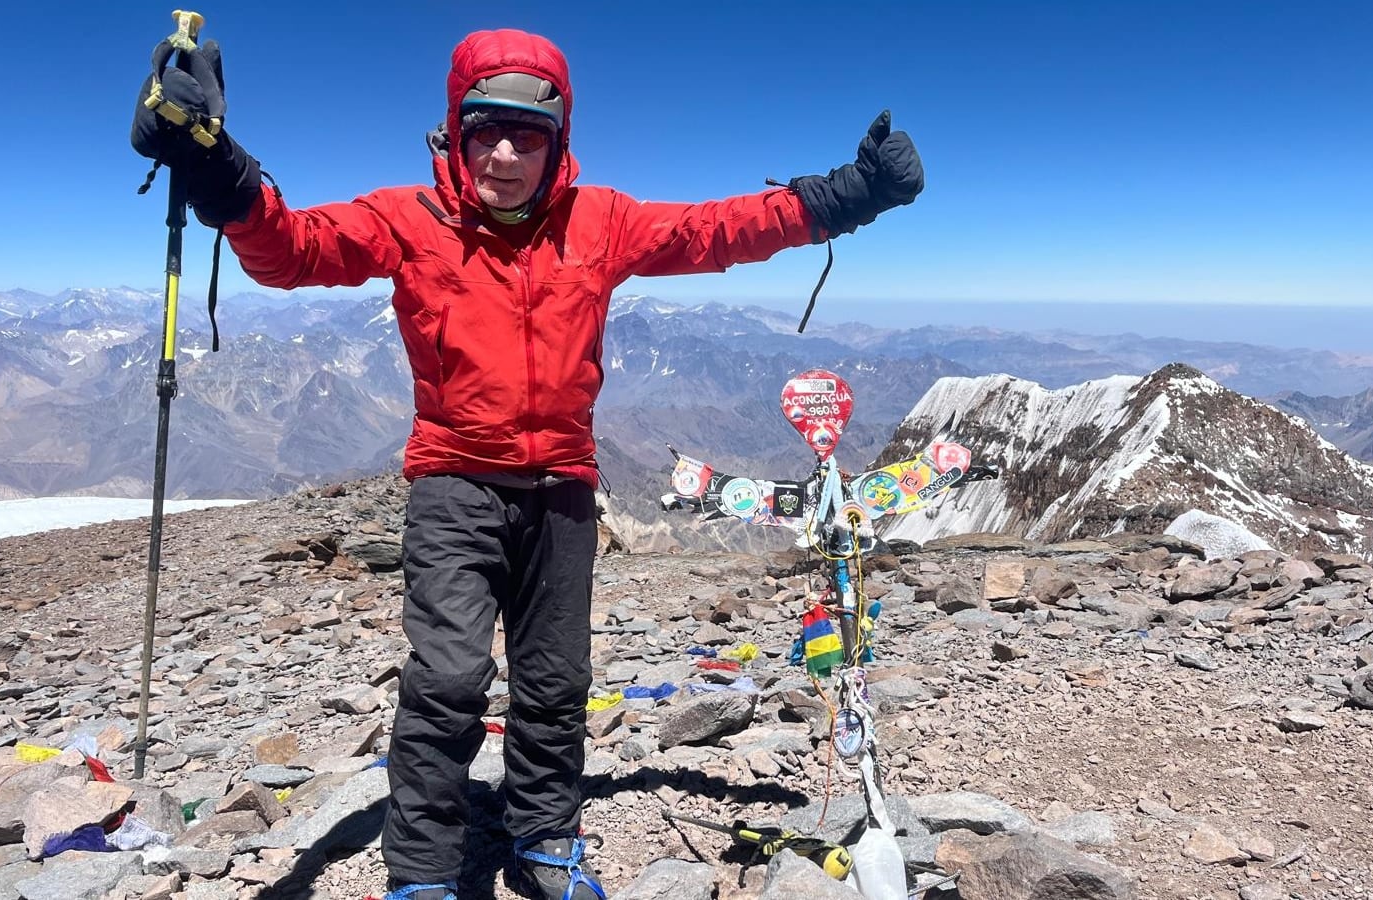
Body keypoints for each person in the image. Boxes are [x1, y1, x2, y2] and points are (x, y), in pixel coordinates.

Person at [132, 27, 923, 900]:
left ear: (559, 139)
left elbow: (717, 231)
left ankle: (545, 837)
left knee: (555, 680)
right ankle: (423, 875)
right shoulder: (408, 220)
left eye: (528, 134)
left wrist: (850, 195)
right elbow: (293, 250)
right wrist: (217, 167)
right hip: (454, 483)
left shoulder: (602, 221)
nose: (504, 155)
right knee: (448, 680)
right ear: (455, 130)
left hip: (562, 492)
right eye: (484, 131)